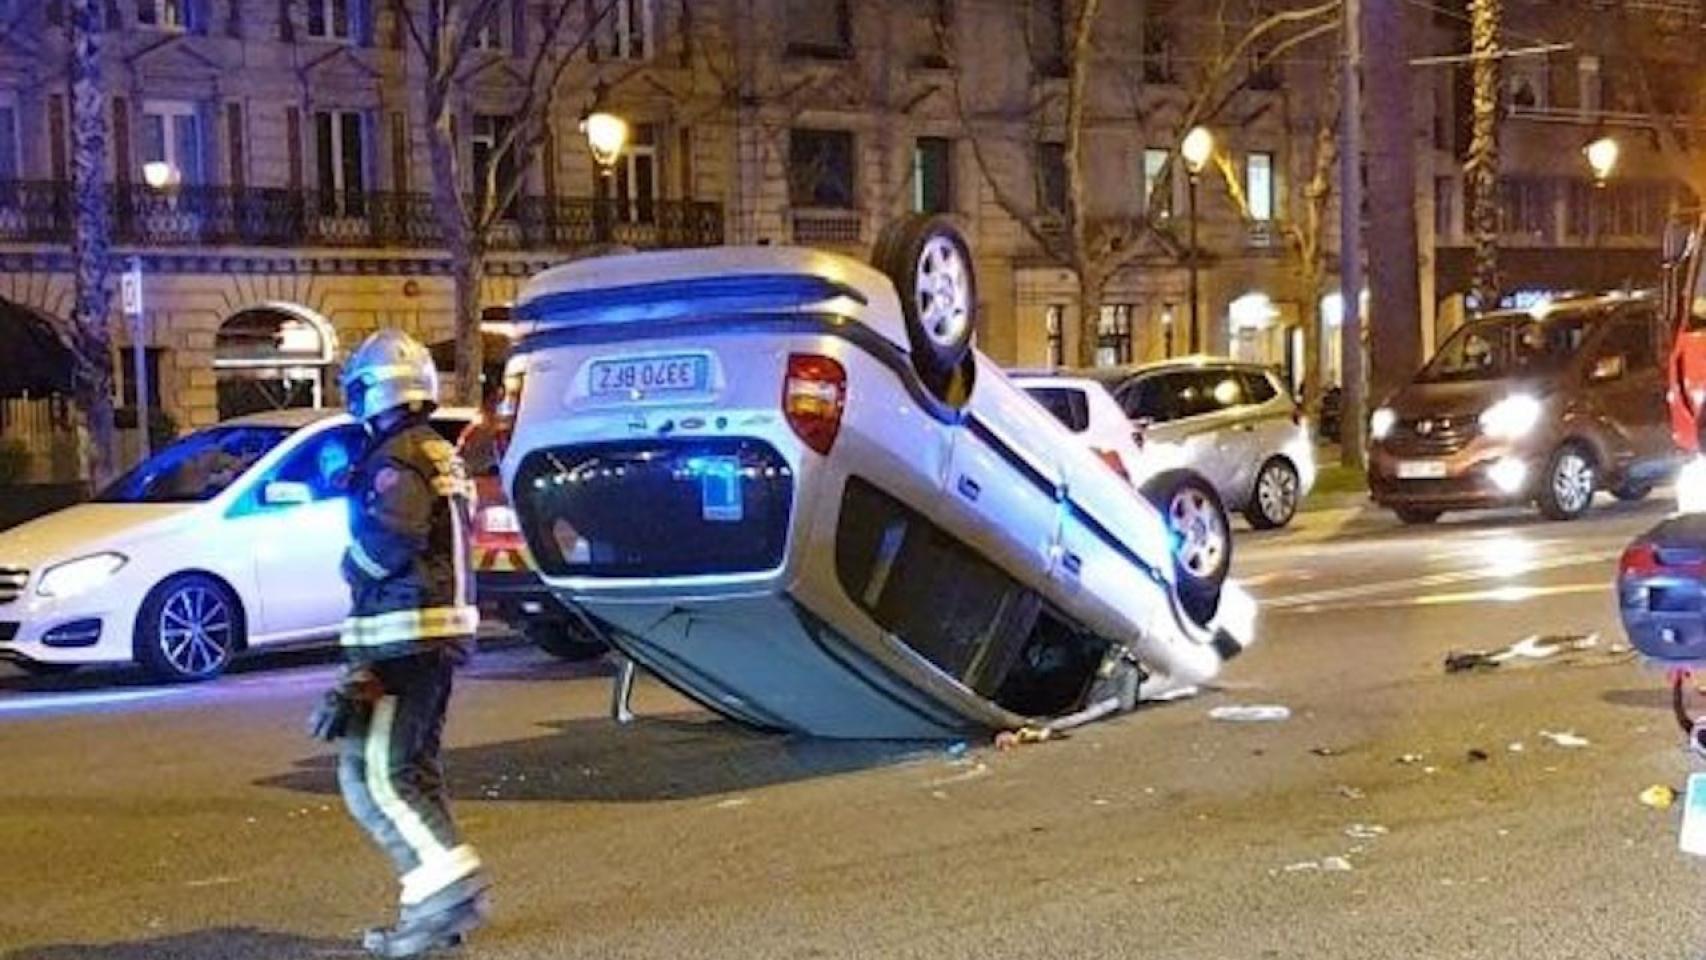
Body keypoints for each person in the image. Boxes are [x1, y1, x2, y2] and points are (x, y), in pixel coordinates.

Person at [309, 329, 489, 958]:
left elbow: (390, 541)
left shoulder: (398, 456)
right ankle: (431, 909)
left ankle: (447, 893)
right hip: (425, 636)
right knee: (410, 771)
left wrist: (350, 567)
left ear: (375, 388)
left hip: (405, 637)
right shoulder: (432, 448)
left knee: (377, 778)